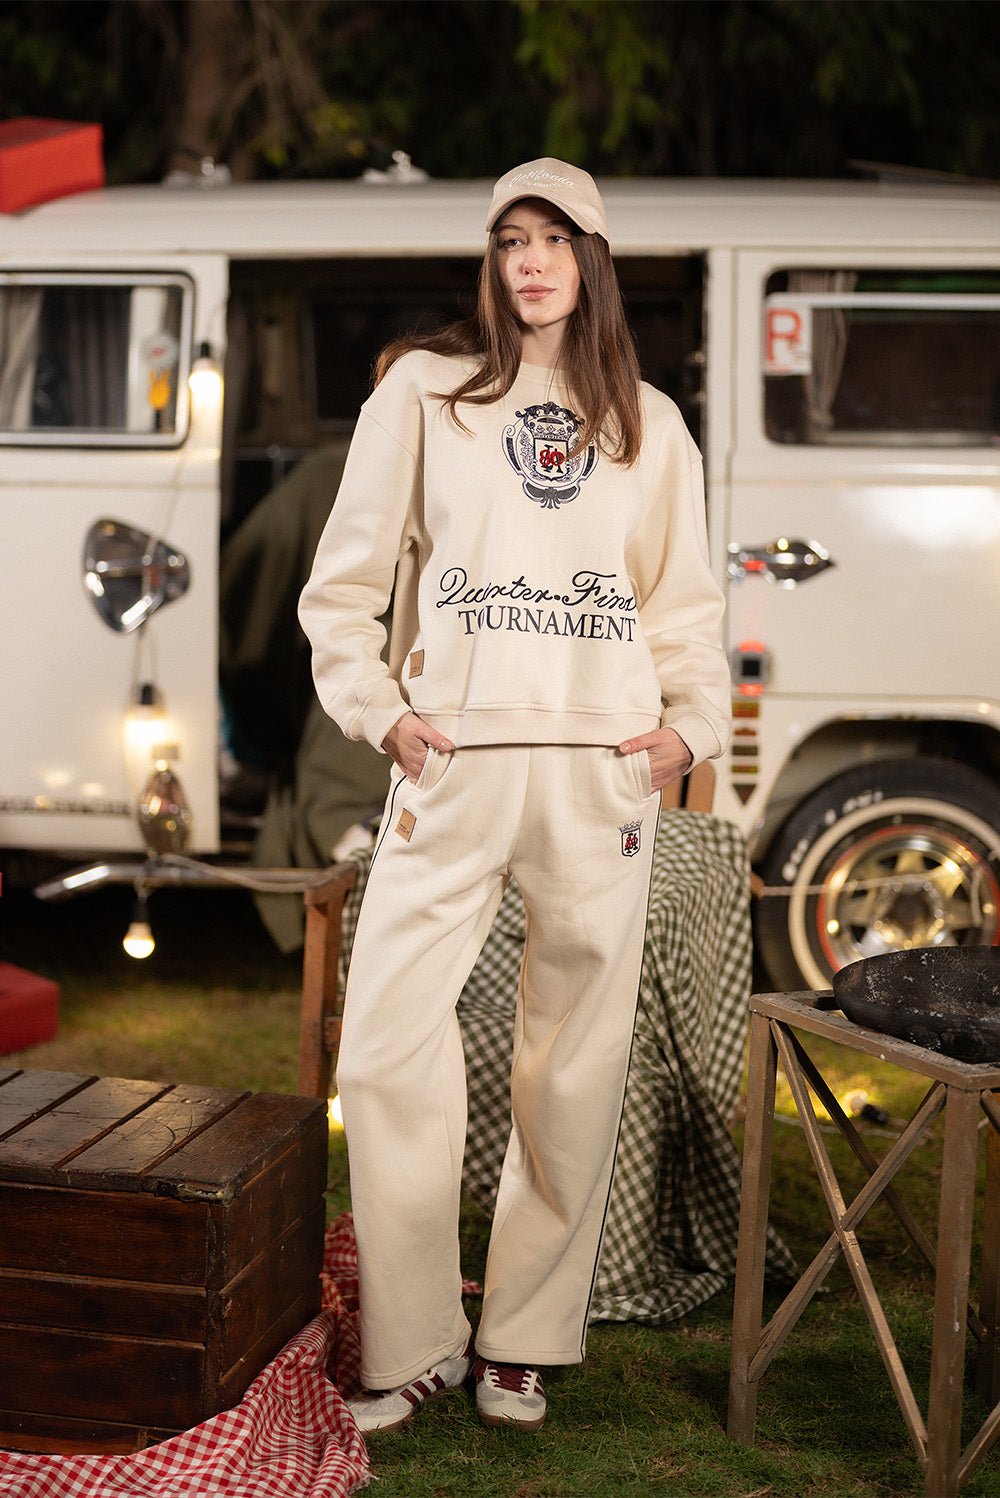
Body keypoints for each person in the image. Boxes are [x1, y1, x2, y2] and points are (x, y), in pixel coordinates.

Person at [298, 158, 731, 1434]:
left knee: (574, 1065)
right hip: (455, 763)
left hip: (601, 773)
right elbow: (343, 587)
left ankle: (523, 1341)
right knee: (384, 1049)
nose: (530, 261)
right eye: (509, 240)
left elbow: (684, 609)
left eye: (554, 239)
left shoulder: (649, 422)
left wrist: (685, 732)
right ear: (490, 261)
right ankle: (414, 1341)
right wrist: (383, 714)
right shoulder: (424, 395)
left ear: (593, 260)